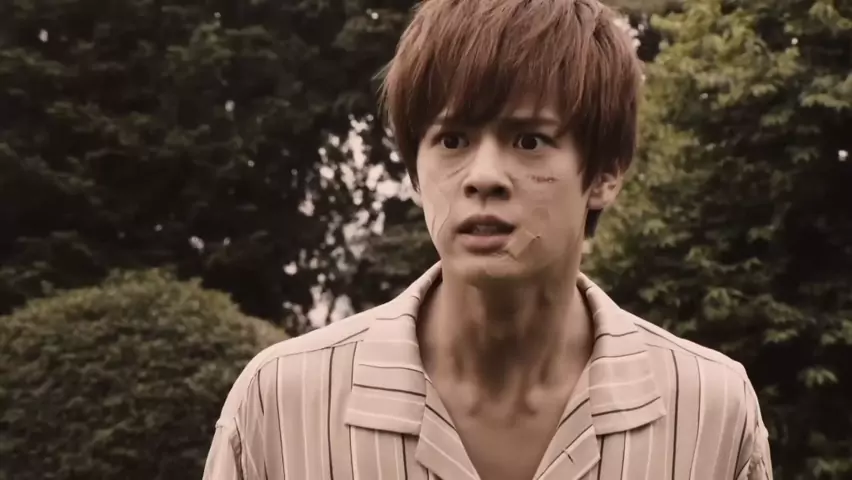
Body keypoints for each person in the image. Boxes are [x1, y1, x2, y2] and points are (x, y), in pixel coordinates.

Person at [202, 0, 773, 478]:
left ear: (605, 174)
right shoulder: (280, 406)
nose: (483, 176)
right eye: (452, 139)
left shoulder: (710, 413)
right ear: (415, 172)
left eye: (529, 141)